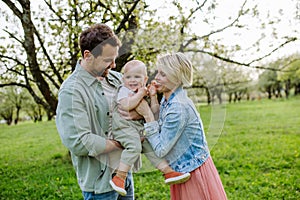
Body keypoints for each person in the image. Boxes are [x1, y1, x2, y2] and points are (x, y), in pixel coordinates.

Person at [55, 23, 136, 200]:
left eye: (114, 58)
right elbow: (79, 141)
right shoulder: (71, 91)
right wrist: (120, 143)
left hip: (124, 174)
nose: (114, 65)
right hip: (100, 184)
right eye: (108, 60)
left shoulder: (115, 79)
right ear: (88, 55)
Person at [135, 52, 228, 200]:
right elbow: (162, 124)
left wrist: (146, 115)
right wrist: (153, 98)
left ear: (176, 78)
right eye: (158, 72)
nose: (156, 77)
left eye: (163, 74)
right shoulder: (169, 99)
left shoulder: (178, 107)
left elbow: (160, 150)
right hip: (184, 169)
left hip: (193, 172)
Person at [109, 60, 191, 196]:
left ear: (145, 79)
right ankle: (119, 177)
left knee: (150, 147)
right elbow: (127, 105)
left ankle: (168, 172)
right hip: (123, 129)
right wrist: (141, 93)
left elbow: (154, 112)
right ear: (123, 79)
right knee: (134, 146)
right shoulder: (123, 90)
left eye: (137, 77)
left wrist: (152, 96)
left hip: (138, 129)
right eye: (128, 77)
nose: (132, 80)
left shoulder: (143, 91)